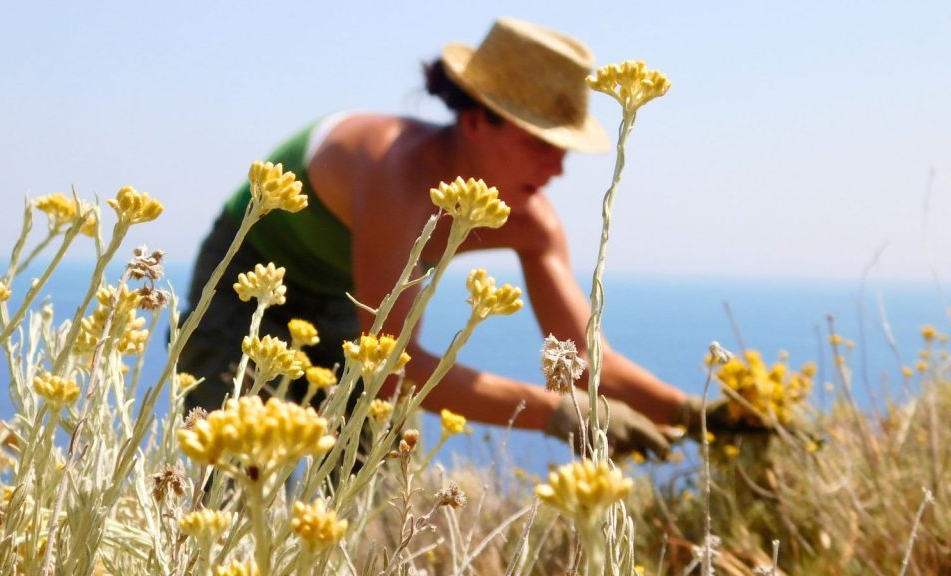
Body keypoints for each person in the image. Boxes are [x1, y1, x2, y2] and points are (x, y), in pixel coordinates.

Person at [179, 17, 732, 458]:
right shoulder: (396, 174)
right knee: (225, 472)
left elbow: (588, 363)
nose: (557, 167)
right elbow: (389, 369)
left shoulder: (531, 221)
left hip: (357, 304)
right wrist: (554, 413)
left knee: (363, 482)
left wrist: (693, 412)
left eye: (563, 146)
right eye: (541, 141)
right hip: (248, 285)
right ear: (475, 121)